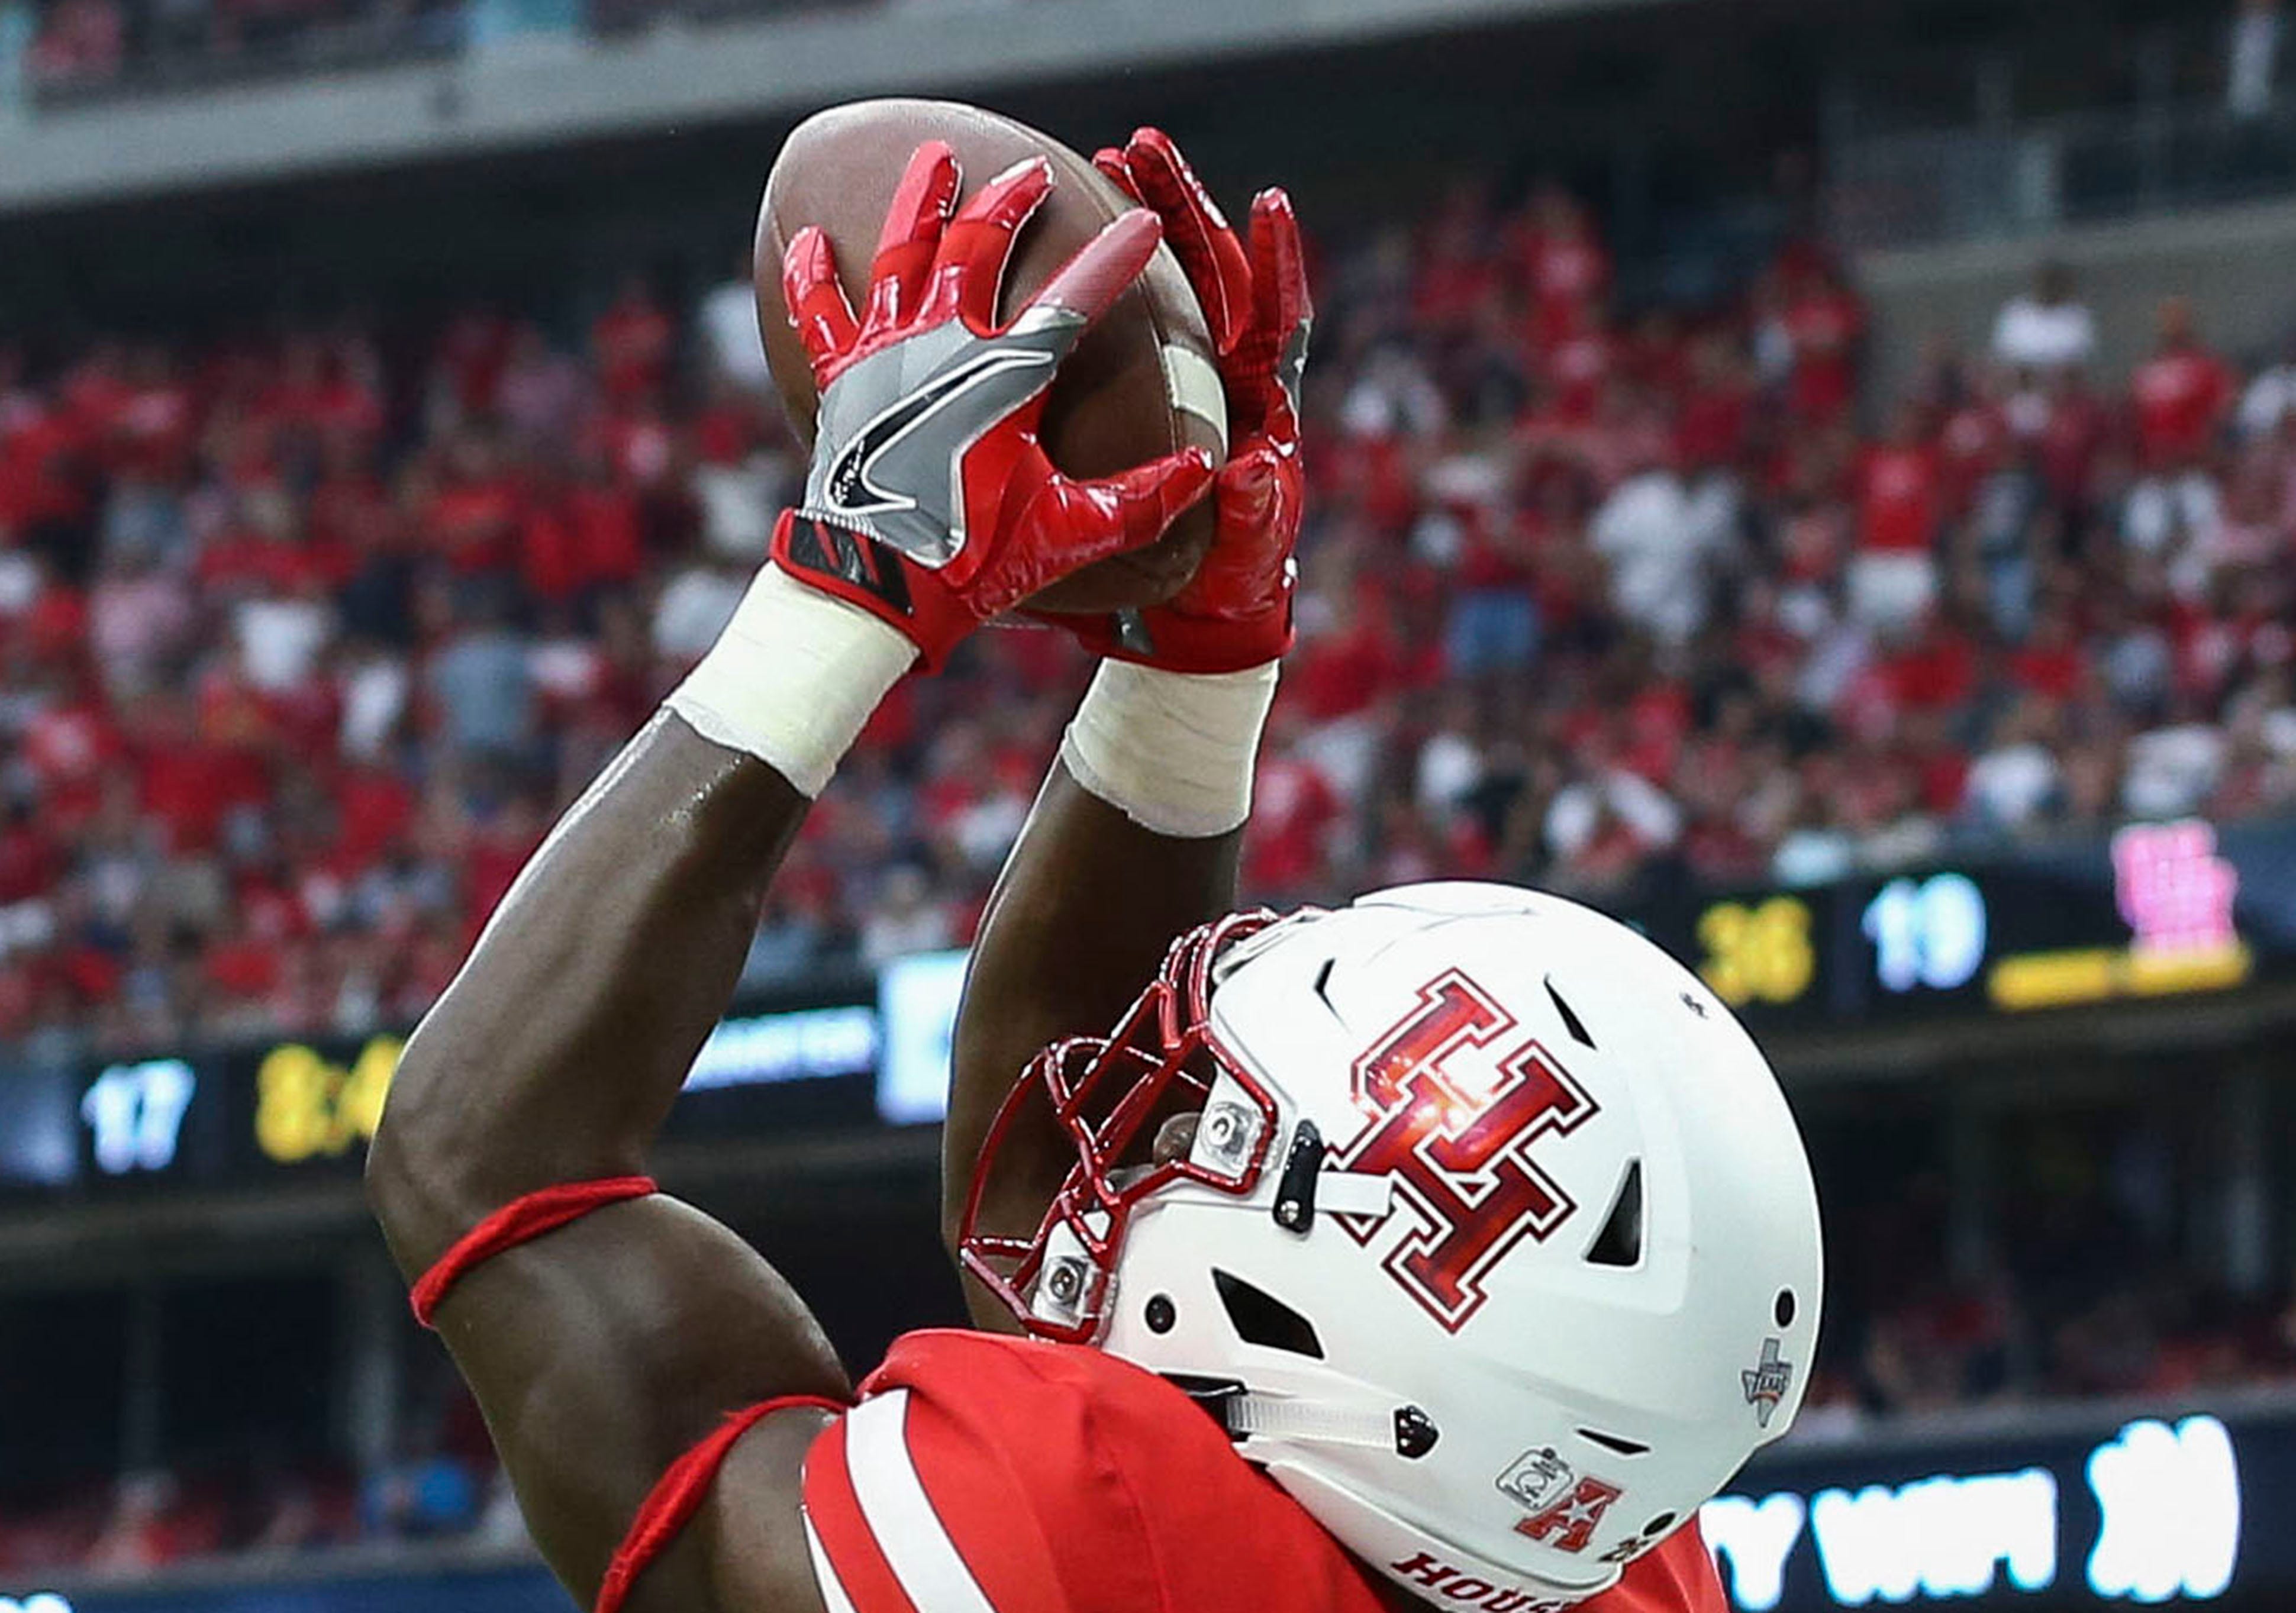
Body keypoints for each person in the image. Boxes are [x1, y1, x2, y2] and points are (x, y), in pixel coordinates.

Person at [367, 131, 1821, 1613]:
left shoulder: (1094, 1538)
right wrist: (1205, 655)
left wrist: (851, 577)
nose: (1132, 1112)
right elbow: (1043, 1165)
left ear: (1328, 1330)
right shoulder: (1602, 1535)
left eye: (1200, 1124)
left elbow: (483, 1167)